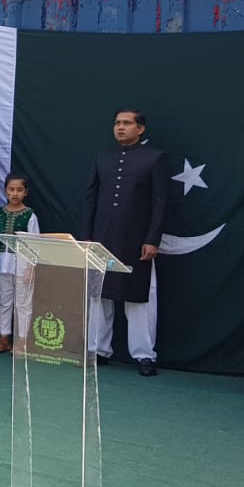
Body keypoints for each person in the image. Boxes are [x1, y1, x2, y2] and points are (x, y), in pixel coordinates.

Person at [83, 109, 168, 377]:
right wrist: (86, 237)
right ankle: (98, 350)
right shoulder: (103, 157)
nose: (120, 127)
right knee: (99, 296)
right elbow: (90, 198)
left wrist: (152, 239)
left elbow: (160, 203)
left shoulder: (154, 158)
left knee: (139, 298)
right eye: (117, 123)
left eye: (127, 123)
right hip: (102, 237)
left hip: (136, 240)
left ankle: (144, 355)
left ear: (140, 129)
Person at [0, 173, 41, 353]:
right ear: (6, 191)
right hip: (3, 264)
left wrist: (30, 268)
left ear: (25, 192)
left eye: (19, 190)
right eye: (11, 190)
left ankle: (23, 340)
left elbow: (35, 243)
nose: (15, 194)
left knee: (23, 304)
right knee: (5, 302)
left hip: (23, 265)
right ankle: (4, 337)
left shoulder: (30, 215)